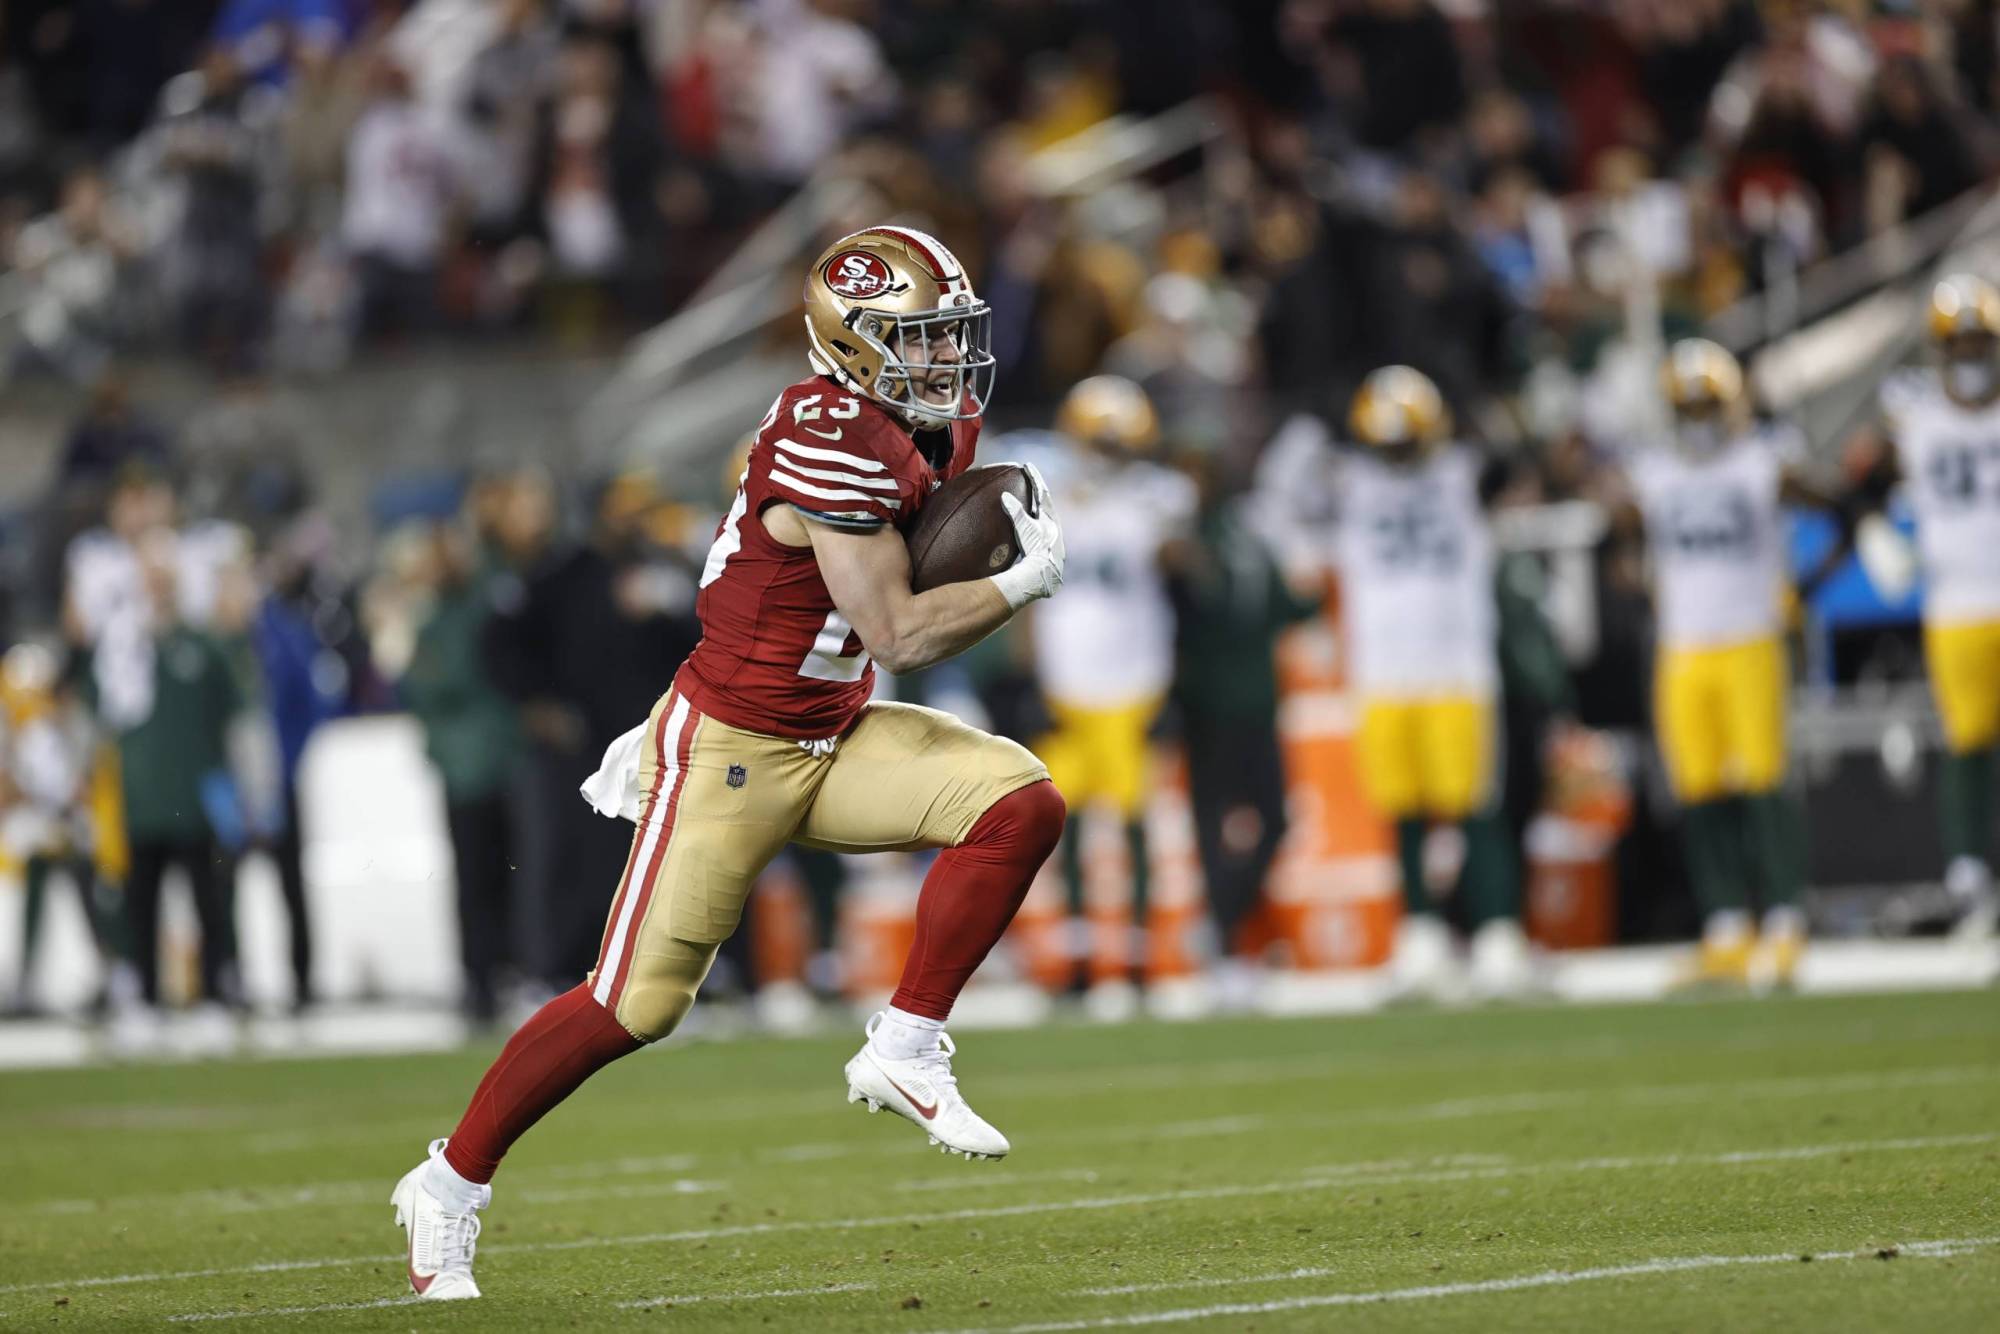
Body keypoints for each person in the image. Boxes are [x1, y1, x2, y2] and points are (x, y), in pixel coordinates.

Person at [389, 225, 1068, 1300]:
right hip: (733, 750)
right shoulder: (825, 430)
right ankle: (448, 1180)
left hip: (834, 730)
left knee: (1020, 802)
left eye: (949, 334)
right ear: (852, 346)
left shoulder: (927, 419)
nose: (944, 359)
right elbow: (896, 629)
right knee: (633, 1004)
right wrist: (1018, 583)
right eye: (919, 338)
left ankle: (903, 1041)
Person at [1613, 339, 1830, 986]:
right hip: (1684, 645)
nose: (1699, 415)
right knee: (1700, 787)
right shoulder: (1653, 471)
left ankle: (1786, 921)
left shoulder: (1763, 460)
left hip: (1749, 637)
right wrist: (1639, 572)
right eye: (1689, 404)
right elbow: (1623, 536)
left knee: (1763, 781)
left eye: (1707, 402)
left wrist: (1804, 587)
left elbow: (1833, 506)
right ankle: (1728, 926)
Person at [1327, 367, 1531, 999]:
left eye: (1407, 438)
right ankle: (1421, 939)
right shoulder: (1348, 482)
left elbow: (1511, 454)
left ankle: (1499, 937)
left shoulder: (1462, 472)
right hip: (1384, 673)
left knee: (1473, 807)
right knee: (1404, 811)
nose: (1398, 452)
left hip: (1454, 669)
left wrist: (1467, 405)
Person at [1016, 376, 1194, 1016]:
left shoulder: (1160, 498)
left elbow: (1183, 579)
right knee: (1065, 828)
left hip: (1137, 683)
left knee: (1136, 824)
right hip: (1067, 685)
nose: (1110, 453)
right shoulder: (1048, 497)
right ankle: (1081, 961)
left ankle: (1142, 960)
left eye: (1119, 443)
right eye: (1101, 441)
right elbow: (1030, 594)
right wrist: (1030, 682)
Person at [1850, 277, 2000, 935]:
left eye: (1978, 341)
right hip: (1956, 602)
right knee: (1967, 744)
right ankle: (1971, 878)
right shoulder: (1909, 411)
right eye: (1958, 343)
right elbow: (1858, 483)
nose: (1969, 354)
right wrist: (1876, 533)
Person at [1162, 452, 1321, 1011]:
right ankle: (1224, 943)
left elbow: (1284, 606)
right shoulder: (1184, 541)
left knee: (1269, 819)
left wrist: (1319, 589)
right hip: (1208, 703)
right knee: (1213, 823)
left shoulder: (1243, 538)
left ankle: (1222, 923)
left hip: (1248, 700)